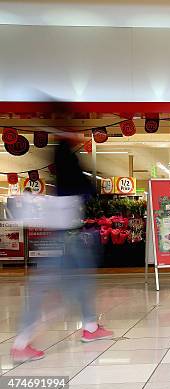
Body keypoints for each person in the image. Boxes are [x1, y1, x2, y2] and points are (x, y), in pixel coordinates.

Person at [11, 130, 113, 363]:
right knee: (47, 290)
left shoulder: (65, 172)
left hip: (68, 238)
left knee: (80, 282)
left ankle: (90, 326)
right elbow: (84, 187)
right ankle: (21, 344)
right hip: (64, 240)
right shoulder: (68, 168)